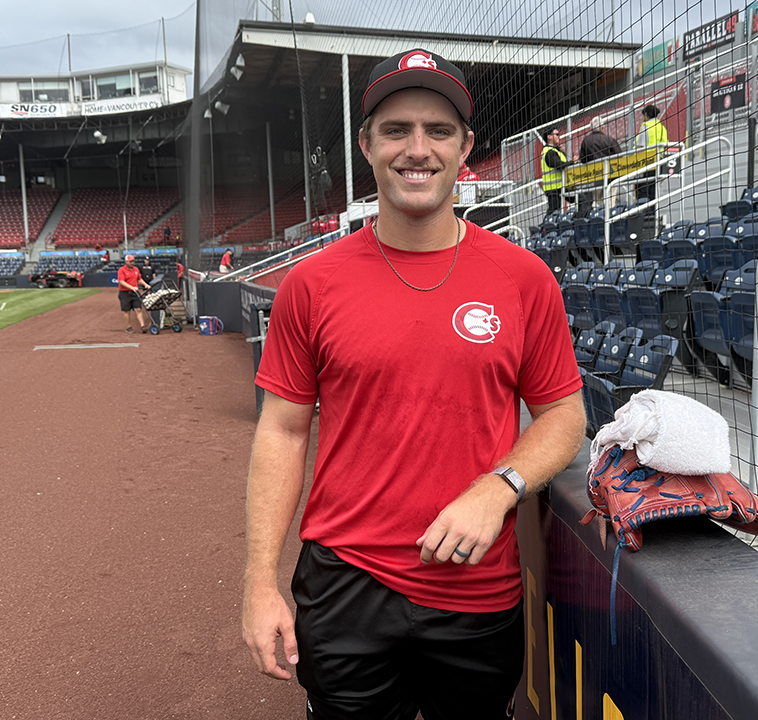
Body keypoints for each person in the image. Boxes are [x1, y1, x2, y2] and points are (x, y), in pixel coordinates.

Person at [242, 48, 586, 720]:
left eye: (438, 131)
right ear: (367, 145)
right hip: (344, 582)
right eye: (396, 130)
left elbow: (563, 416)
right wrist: (258, 583)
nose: (417, 149)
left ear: (465, 150)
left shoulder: (523, 278)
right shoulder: (312, 284)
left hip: (475, 585)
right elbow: (282, 430)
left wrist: (499, 488)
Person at [576, 115, 622, 217]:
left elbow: (583, 160)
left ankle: (598, 219)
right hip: (610, 177)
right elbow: (619, 155)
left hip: (594, 178)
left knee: (597, 203)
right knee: (610, 203)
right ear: (603, 127)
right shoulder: (609, 139)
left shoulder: (586, 141)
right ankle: (609, 222)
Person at [635, 104, 667, 202]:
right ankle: (653, 212)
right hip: (659, 161)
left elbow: (641, 146)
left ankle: (644, 213)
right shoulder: (661, 127)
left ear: (646, 114)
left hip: (647, 161)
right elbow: (665, 143)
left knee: (643, 189)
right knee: (653, 189)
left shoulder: (646, 126)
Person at [117, 253, 152, 334]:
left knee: (138, 309)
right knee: (127, 311)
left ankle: (143, 326)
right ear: (126, 262)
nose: (132, 263)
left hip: (134, 292)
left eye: (133, 261)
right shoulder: (121, 270)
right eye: (130, 261)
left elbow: (139, 279)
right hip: (124, 293)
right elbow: (121, 281)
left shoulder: (136, 269)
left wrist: (145, 284)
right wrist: (131, 287)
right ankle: (129, 327)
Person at [541, 127, 571, 218]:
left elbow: (562, 162)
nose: (559, 136)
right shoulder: (550, 152)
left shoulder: (556, 151)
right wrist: (573, 161)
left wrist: (563, 152)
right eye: (557, 134)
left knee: (554, 212)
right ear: (549, 137)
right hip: (553, 189)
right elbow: (559, 165)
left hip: (561, 186)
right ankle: (542, 229)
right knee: (553, 213)